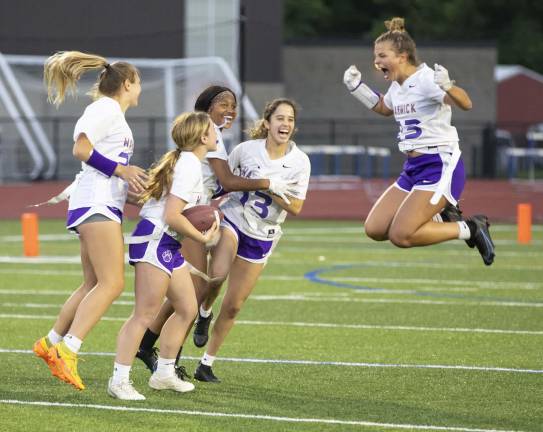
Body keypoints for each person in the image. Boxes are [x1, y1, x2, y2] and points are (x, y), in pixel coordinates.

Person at [135, 87, 297, 376]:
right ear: (207, 107)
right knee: (191, 295)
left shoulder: (213, 136)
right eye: (224, 103)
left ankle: (150, 347)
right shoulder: (208, 133)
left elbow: (221, 182)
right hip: (184, 217)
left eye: (233, 104)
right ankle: (163, 361)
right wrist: (266, 184)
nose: (230, 109)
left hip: (192, 213)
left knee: (190, 294)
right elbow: (227, 180)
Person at [32, 51, 148, 390]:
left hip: (98, 201)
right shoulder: (106, 108)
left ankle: (51, 342)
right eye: (138, 83)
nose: (140, 89)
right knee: (113, 284)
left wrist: (128, 188)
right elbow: (81, 150)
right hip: (95, 202)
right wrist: (122, 170)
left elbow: (102, 163)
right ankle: (68, 350)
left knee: (93, 283)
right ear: (127, 84)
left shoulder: (114, 114)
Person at [342, 17, 495, 266]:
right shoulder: (398, 85)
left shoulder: (426, 79)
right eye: (376, 56)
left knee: (401, 236)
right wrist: (356, 88)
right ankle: (439, 215)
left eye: (382, 56)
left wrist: (448, 86)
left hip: (439, 164)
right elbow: (385, 107)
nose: (377, 62)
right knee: (375, 228)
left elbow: (466, 103)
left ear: (402, 57)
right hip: (413, 168)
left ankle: (470, 228)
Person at [193, 98, 311, 383]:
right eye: (280, 118)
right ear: (268, 122)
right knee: (217, 274)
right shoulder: (246, 150)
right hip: (234, 218)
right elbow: (225, 182)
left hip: (263, 234)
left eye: (290, 119)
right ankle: (204, 310)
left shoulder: (300, 161)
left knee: (234, 305)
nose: (285, 124)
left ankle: (206, 364)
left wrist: (270, 187)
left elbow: (295, 207)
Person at [107, 111, 221, 400]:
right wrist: (202, 237)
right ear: (202, 137)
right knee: (144, 315)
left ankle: (164, 373)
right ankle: (119, 380)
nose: (217, 133)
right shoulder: (189, 166)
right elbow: (172, 216)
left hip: (165, 242)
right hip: (156, 240)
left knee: (187, 308)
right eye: (212, 129)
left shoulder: (186, 162)